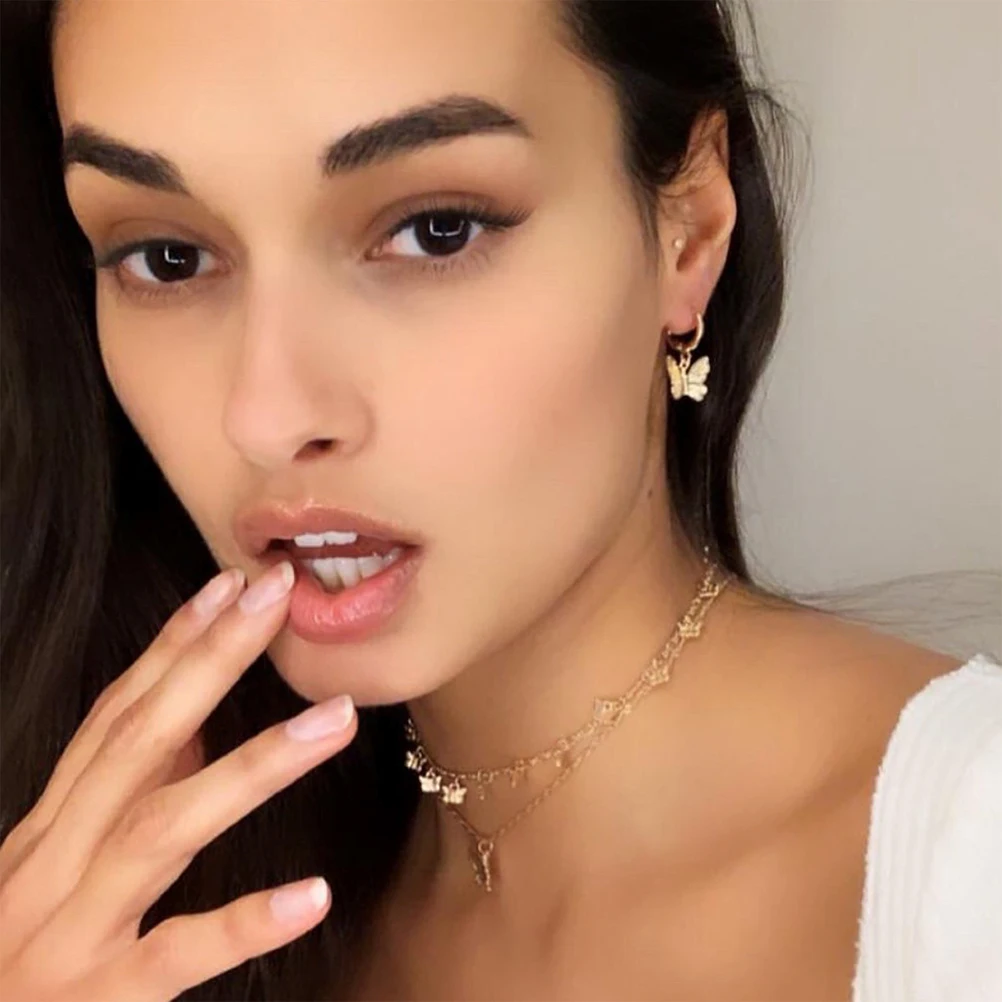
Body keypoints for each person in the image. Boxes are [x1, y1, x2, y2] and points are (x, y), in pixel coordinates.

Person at [1, 1, 998, 1000]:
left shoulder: (969, 873)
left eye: (435, 231)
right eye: (166, 257)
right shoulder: (148, 914)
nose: (266, 417)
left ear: (690, 230)